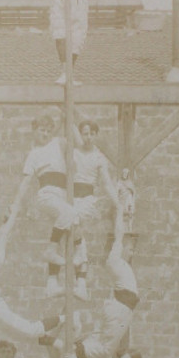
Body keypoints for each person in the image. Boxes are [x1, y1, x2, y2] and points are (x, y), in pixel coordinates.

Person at [9, 116, 86, 299]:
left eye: (48, 131)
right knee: (70, 215)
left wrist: (69, 116)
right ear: (34, 131)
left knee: (74, 230)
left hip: (63, 196)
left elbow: (80, 142)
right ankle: (49, 250)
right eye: (41, 130)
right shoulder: (34, 154)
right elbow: (26, 182)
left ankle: (53, 282)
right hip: (47, 195)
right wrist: (15, 204)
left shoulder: (58, 143)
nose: (45, 134)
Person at [0, 208, 64, 342]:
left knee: (29, 330)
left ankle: (65, 319)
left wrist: (13, 214)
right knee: (17, 335)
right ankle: (57, 344)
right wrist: (5, 221)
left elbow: (4, 234)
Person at [74, 208, 139, 358]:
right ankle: (75, 353)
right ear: (121, 247)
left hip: (122, 309)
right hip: (120, 308)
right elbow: (118, 233)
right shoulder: (114, 261)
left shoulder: (121, 263)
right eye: (130, 249)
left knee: (103, 342)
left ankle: (79, 347)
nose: (132, 253)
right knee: (106, 349)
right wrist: (118, 211)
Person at [71, 119, 120, 301]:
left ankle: (80, 274)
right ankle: (81, 282)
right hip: (71, 196)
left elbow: (106, 183)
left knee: (75, 220)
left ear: (96, 136)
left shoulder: (99, 158)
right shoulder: (74, 153)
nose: (88, 137)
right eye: (85, 133)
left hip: (87, 198)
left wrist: (118, 204)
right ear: (81, 134)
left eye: (91, 134)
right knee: (77, 238)